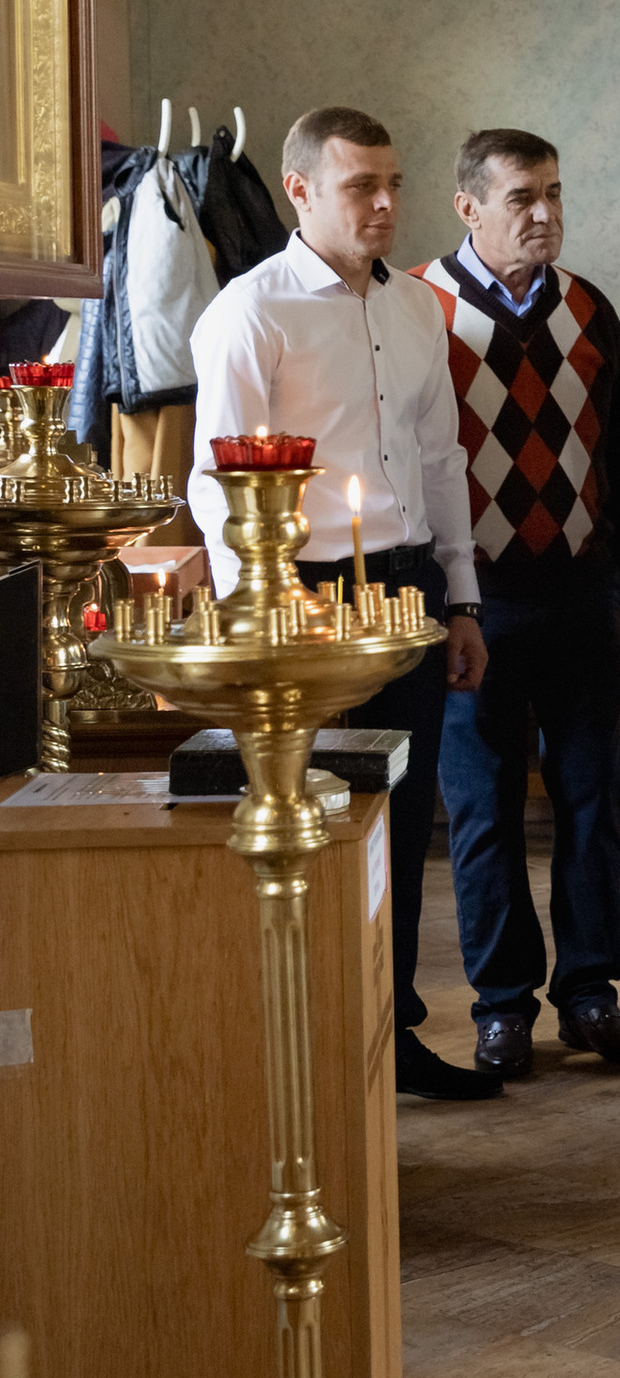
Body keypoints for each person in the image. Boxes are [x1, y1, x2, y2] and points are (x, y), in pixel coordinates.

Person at [188, 106, 493, 1103]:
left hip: (402, 583)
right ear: (301, 191)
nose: (385, 205)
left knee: (402, 823)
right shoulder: (250, 310)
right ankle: (301, 1052)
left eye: (394, 184)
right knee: (311, 823)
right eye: (362, 186)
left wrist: (461, 601)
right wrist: (257, 620)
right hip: (299, 596)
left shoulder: (414, 308)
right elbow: (214, 479)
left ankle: (387, 1030)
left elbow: (442, 460)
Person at [418, 131, 620, 1080]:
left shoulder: (589, 308)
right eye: (522, 197)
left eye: (555, 194)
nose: (545, 214)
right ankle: (503, 1007)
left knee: (595, 801)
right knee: (481, 811)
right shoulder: (418, 307)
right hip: (472, 607)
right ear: (469, 207)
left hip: (580, 596)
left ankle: (591, 995)